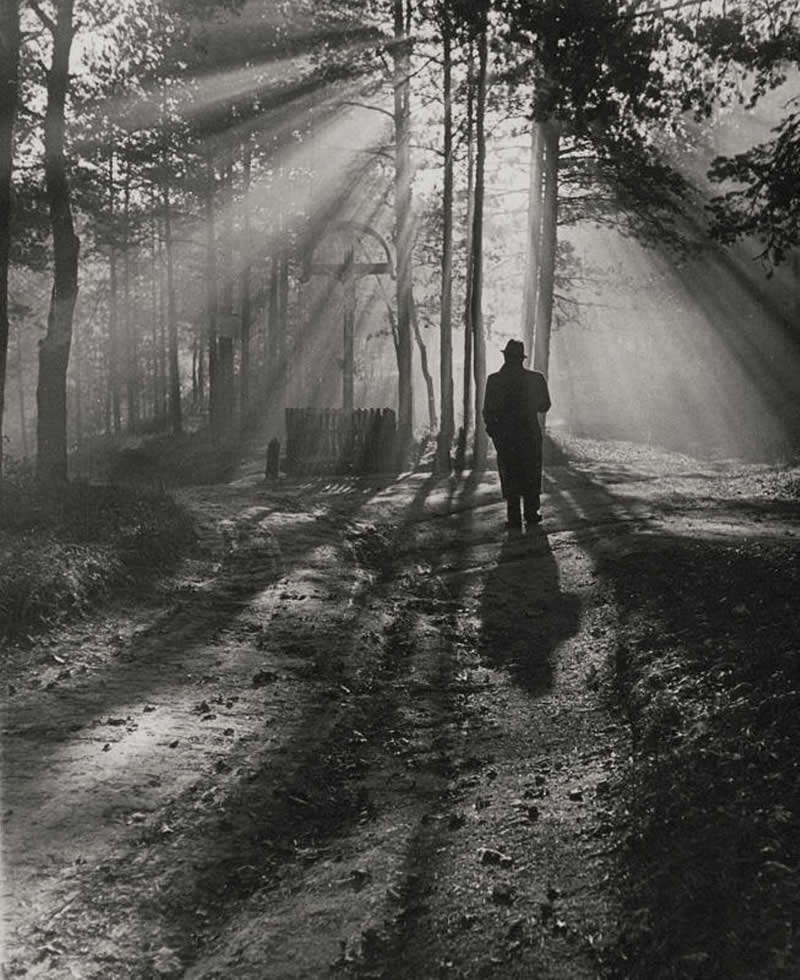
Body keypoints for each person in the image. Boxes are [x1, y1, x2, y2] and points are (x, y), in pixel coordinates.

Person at [482, 339, 551, 529]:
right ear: (522, 358)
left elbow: (487, 411)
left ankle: (513, 517)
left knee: (510, 474)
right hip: (529, 434)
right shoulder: (536, 379)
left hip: (506, 437)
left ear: (505, 357)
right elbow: (545, 406)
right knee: (531, 473)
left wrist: (494, 433)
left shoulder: (494, 380)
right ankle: (531, 513)